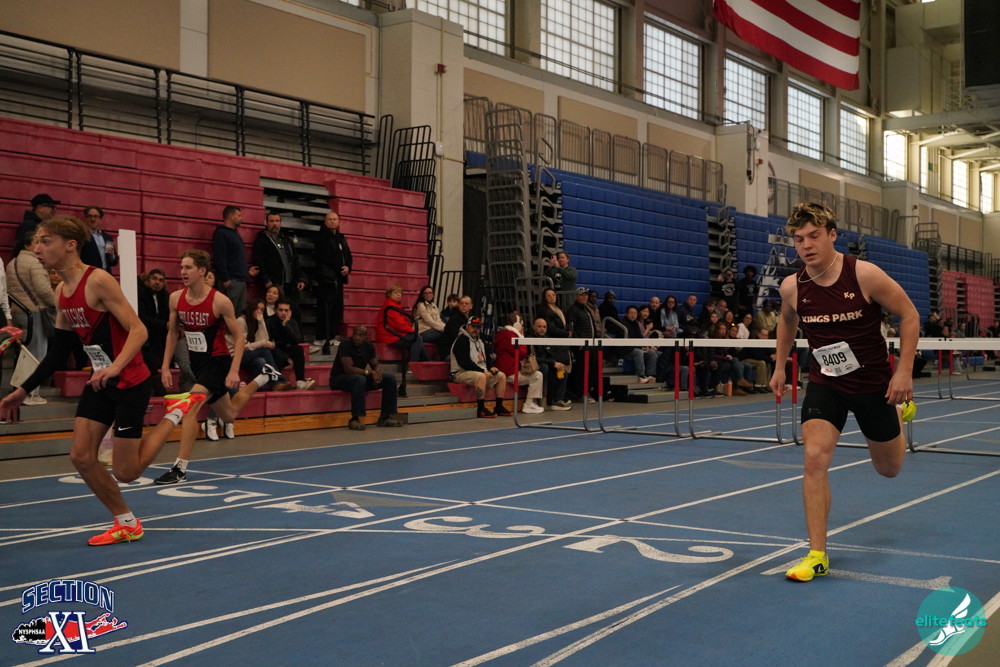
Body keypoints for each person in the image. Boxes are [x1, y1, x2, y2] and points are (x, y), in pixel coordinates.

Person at [0, 215, 202, 545]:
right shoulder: (62, 292)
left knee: (127, 472)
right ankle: (126, 522)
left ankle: (176, 411)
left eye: (45, 241)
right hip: (101, 380)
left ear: (70, 245)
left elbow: (139, 330)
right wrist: (23, 390)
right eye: (36, 242)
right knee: (81, 457)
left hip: (130, 379)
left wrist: (114, 367)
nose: (37, 248)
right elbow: (58, 352)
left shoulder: (98, 281)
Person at [770, 202, 918, 583]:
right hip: (826, 383)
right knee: (814, 459)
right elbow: (787, 320)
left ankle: (899, 415)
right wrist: (780, 366)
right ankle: (817, 554)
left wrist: (903, 371)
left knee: (889, 469)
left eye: (814, 236)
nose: (806, 245)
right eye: (798, 239)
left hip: (873, 385)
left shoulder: (864, 275)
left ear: (832, 235)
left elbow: (910, 314)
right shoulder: (792, 286)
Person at [156, 249, 284, 484]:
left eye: (188, 267)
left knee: (191, 407)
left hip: (218, 361)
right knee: (230, 414)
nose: (183, 272)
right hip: (197, 362)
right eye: (181, 267)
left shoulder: (220, 301)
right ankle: (263, 377)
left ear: (202, 271)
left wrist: (234, 370)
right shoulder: (175, 299)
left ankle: (179, 469)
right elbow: (172, 333)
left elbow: (239, 337)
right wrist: (165, 366)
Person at [7, 232, 57, 405]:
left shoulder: (13, 262)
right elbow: (43, 290)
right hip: (34, 312)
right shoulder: (35, 263)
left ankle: (20, 390)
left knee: (24, 354)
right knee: (37, 354)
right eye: (37, 242)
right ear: (28, 245)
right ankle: (30, 394)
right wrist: (58, 302)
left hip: (18, 312)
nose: (39, 246)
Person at [329, 325, 403, 430]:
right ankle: (355, 419)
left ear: (366, 337)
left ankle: (385, 417)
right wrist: (369, 372)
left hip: (359, 379)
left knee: (389, 379)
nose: (357, 337)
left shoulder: (368, 345)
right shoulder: (345, 344)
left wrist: (377, 373)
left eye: (361, 335)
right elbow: (349, 369)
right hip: (339, 378)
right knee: (360, 379)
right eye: (355, 334)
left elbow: (375, 364)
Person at [450, 316, 512, 418]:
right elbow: (464, 363)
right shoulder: (461, 340)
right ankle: (481, 409)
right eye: (473, 326)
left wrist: (491, 367)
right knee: (481, 377)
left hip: (478, 371)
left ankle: (499, 406)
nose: (475, 329)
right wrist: (483, 371)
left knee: (501, 376)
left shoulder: (480, 340)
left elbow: (487, 356)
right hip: (459, 373)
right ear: (467, 326)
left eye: (478, 327)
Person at [252, 210, 304, 318]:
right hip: (274, 284)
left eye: (277, 221)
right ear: (267, 223)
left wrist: (300, 278)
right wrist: (266, 280)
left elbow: (295, 260)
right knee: (274, 313)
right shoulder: (261, 240)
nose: (275, 224)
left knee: (294, 314)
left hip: (290, 284)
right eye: (272, 221)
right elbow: (260, 261)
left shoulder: (287, 240)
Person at [313, 211, 352, 354]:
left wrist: (348, 267)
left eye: (335, 219)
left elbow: (348, 255)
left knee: (337, 308)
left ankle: (332, 335)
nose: (332, 221)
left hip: (339, 279)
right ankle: (322, 336)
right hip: (326, 279)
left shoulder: (341, 238)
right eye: (329, 219)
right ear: (325, 222)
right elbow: (324, 257)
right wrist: (338, 268)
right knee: (325, 309)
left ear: (339, 221)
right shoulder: (321, 238)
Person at [494, 312, 545, 414]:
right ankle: (529, 404)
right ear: (517, 325)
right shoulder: (510, 336)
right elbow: (522, 353)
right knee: (537, 376)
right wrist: (522, 336)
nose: (523, 327)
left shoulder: (502, 334)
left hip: (506, 370)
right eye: (521, 324)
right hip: (510, 372)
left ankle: (532, 403)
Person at [235, 300, 291, 390]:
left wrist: (261, 322)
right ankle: (277, 382)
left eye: (262, 310)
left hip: (248, 355)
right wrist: (263, 343)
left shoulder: (256, 321)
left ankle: (255, 389)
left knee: (261, 361)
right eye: (257, 309)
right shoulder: (241, 320)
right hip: (235, 356)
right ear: (251, 309)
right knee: (264, 351)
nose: (259, 312)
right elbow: (243, 346)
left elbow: (264, 339)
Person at [212, 205, 257, 315]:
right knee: (229, 313)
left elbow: (237, 257)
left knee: (240, 313)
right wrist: (226, 279)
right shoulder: (221, 233)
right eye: (239, 215)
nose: (241, 218)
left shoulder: (235, 233)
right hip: (232, 280)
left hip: (240, 279)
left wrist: (247, 271)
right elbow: (220, 257)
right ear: (231, 216)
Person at [565, 286, 603, 401]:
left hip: (592, 344)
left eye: (586, 295)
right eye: (581, 295)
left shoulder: (587, 309)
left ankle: (586, 390)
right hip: (581, 346)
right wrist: (578, 342)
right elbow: (571, 327)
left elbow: (593, 326)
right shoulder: (573, 309)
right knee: (583, 369)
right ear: (577, 296)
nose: (584, 297)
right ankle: (581, 393)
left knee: (595, 367)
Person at [137, 268, 170, 395]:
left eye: (161, 280)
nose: (157, 282)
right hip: (143, 337)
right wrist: (164, 325)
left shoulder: (165, 296)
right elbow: (142, 317)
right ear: (148, 279)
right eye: (154, 279)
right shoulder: (140, 293)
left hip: (157, 337)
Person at [377, 284, 430, 362]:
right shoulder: (390, 306)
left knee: (417, 339)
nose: (399, 294)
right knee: (417, 338)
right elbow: (399, 324)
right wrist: (413, 331)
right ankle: (414, 363)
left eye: (400, 293)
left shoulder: (394, 305)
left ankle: (425, 361)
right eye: (395, 292)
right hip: (389, 335)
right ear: (389, 294)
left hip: (394, 334)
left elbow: (402, 323)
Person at [270, 299, 315, 390]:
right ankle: (276, 383)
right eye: (280, 310)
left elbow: (296, 340)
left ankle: (300, 381)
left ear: (290, 311)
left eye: (286, 310)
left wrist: (286, 325)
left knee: (298, 349)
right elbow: (270, 343)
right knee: (273, 352)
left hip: (286, 349)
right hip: (274, 350)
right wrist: (286, 357)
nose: (283, 313)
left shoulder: (292, 322)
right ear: (275, 310)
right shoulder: (270, 321)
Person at [530, 317, 572, 409]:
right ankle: (542, 398)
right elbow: (536, 358)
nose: (542, 329)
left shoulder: (547, 338)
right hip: (536, 365)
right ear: (534, 327)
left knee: (562, 370)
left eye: (544, 327)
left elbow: (551, 355)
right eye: (539, 326)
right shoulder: (530, 339)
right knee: (545, 368)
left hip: (548, 363)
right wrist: (553, 363)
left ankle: (558, 399)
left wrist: (556, 363)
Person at [79, 206, 119, 272]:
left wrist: (112, 255)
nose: (93, 219)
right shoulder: (81, 236)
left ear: (100, 220)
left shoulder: (107, 238)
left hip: (106, 274)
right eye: (90, 216)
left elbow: (114, 262)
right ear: (86, 219)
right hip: (89, 274)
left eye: (96, 216)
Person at [439, 294, 472, 360]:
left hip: (463, 351)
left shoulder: (471, 320)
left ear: (471, 306)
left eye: (466, 303)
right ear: (458, 305)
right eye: (461, 303)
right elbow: (457, 339)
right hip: (450, 352)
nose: (464, 305)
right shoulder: (454, 319)